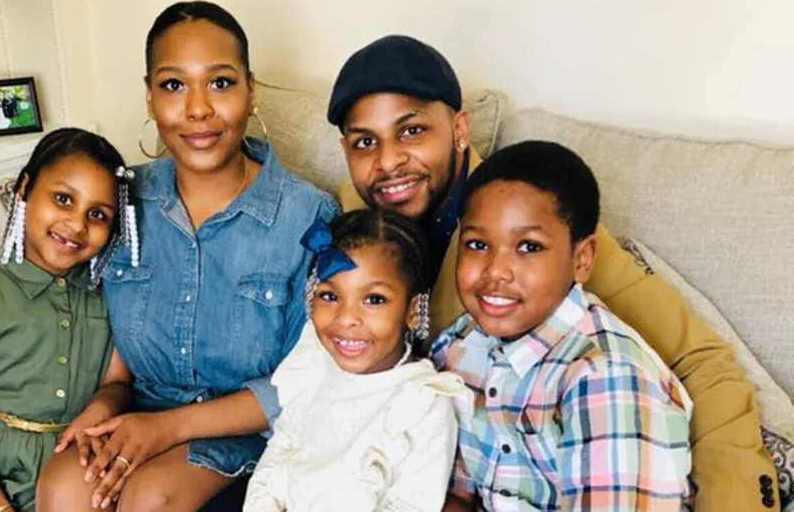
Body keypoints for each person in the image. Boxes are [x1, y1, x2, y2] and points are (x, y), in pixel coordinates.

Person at [0, 1, 337, 511]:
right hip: (131, 411)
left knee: (147, 498)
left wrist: (165, 429)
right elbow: (40, 284)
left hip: (238, 429)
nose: (197, 108)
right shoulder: (120, 200)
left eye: (220, 83)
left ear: (250, 90)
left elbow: (311, 376)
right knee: (64, 485)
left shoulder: (308, 217)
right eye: (174, 85)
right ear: (150, 97)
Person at [327, 34, 778, 510]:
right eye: (365, 142)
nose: (389, 161)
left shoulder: (539, 222)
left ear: (460, 129)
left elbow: (701, 364)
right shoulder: (357, 207)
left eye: (412, 131)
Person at [433, 140, 692, 510]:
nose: (495, 271)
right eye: (477, 244)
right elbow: (456, 492)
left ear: (581, 259)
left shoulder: (605, 375)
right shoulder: (457, 347)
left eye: (529, 247)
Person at [0, 127, 138, 511]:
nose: (77, 224)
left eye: (97, 214)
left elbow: (117, 382)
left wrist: (104, 404)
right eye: (63, 199)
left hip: (64, 467)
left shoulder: (111, 297)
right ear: (24, 189)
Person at [244, 210, 469, 511]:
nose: (347, 318)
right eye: (329, 296)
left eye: (374, 299)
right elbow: (280, 451)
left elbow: (411, 505)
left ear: (413, 310)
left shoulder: (422, 401)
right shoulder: (313, 366)